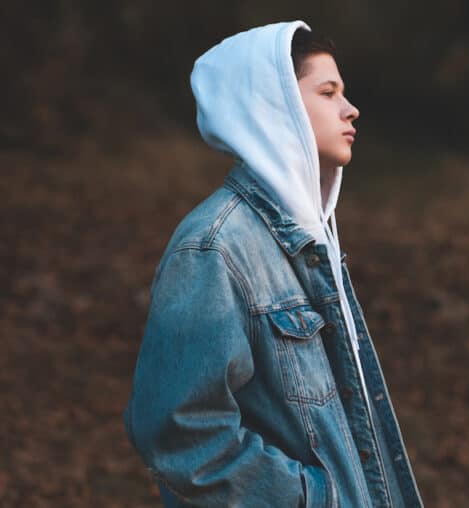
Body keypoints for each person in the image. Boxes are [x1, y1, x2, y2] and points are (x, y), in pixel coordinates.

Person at [123, 21, 423, 507]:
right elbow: (182, 436)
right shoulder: (213, 247)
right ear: (273, 106)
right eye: (328, 92)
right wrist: (318, 499)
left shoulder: (309, 240)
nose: (351, 109)